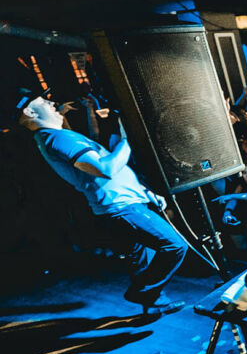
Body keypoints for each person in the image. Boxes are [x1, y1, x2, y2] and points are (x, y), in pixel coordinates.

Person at [9, 87, 188, 315]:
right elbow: (107, 169)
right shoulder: (56, 137)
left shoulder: (57, 136)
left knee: (141, 257)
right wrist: (129, 139)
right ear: (30, 112)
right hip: (121, 207)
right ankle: (143, 291)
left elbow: (105, 162)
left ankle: (152, 304)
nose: (52, 103)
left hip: (124, 203)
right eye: (43, 102)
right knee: (175, 245)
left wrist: (144, 192)